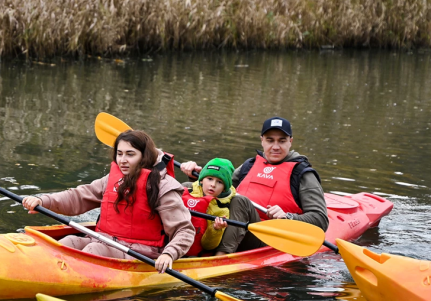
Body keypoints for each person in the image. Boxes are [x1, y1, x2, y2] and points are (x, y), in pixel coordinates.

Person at [22, 130, 195, 273]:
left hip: (141, 252)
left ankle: (59, 279)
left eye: (130, 154)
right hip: (104, 240)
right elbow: (78, 196)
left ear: (144, 157)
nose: (123, 160)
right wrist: (43, 201)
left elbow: (184, 230)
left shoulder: (163, 187)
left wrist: (169, 255)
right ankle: (37, 272)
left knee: (93, 251)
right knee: (68, 242)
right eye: (119, 154)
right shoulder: (111, 179)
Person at [180, 116, 328, 252]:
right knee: (185, 187)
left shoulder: (303, 174)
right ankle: (168, 242)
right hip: (226, 228)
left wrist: (287, 217)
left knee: (240, 201)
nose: (276, 146)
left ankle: (221, 256)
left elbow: (321, 219)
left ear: (290, 141)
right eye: (270, 140)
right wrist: (198, 176)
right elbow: (220, 188)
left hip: (268, 238)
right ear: (262, 140)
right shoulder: (249, 165)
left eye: (282, 141)